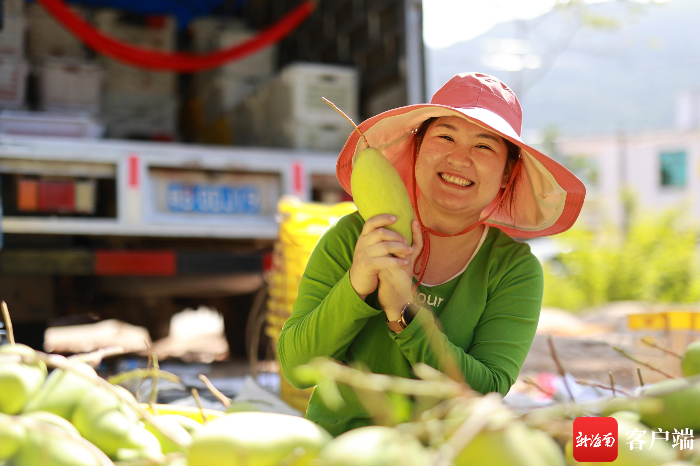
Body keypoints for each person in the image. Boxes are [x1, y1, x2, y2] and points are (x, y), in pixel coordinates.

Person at [277, 72, 586, 437]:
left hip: (447, 452)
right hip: (341, 450)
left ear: (508, 172)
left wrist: (403, 312)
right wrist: (356, 285)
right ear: (417, 147)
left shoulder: (512, 268)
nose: (460, 158)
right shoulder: (352, 237)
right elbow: (297, 369)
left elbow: (487, 391)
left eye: (484, 146)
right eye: (445, 137)